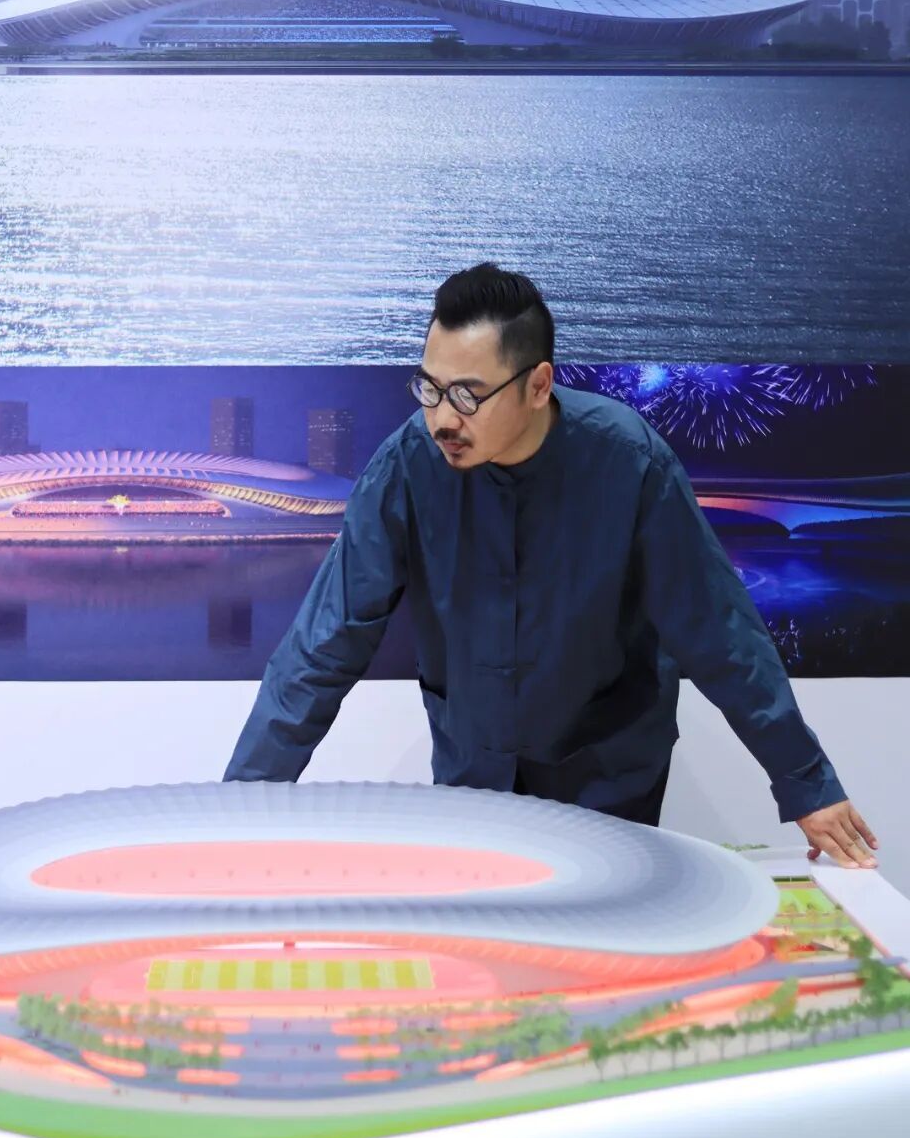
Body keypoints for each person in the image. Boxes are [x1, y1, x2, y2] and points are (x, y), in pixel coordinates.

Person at [224, 263, 879, 872]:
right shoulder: (407, 464)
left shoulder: (628, 461)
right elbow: (326, 642)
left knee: (603, 937)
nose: (443, 418)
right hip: (475, 771)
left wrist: (806, 783)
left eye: (467, 395)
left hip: (607, 775)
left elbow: (719, 633)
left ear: (538, 385)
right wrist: (241, 804)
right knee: (485, 935)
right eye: (430, 387)